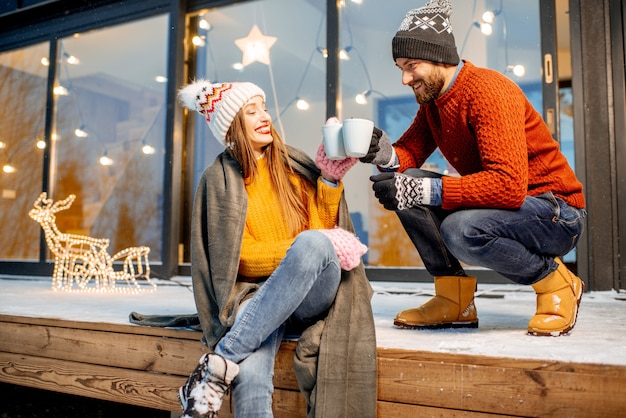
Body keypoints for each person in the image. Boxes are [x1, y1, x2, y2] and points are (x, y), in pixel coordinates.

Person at [360, 0, 587, 337]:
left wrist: (426, 191)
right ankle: (455, 299)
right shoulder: (435, 102)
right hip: (511, 207)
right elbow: (409, 153)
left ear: (439, 58)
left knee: (461, 229)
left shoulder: (487, 90)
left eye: (412, 65)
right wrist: (384, 154)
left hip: (557, 212)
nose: (406, 78)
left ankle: (556, 283)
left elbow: (508, 186)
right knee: (406, 183)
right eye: (401, 68)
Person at [177, 80, 377, 418]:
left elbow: (318, 235)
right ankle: (223, 371)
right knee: (251, 377)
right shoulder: (218, 179)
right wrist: (296, 251)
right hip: (255, 296)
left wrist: (328, 181)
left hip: (310, 295)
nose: (263, 116)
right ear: (231, 127)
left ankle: (218, 364)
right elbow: (237, 258)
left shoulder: (290, 165)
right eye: (251, 111)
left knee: (314, 242)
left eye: (264, 107)